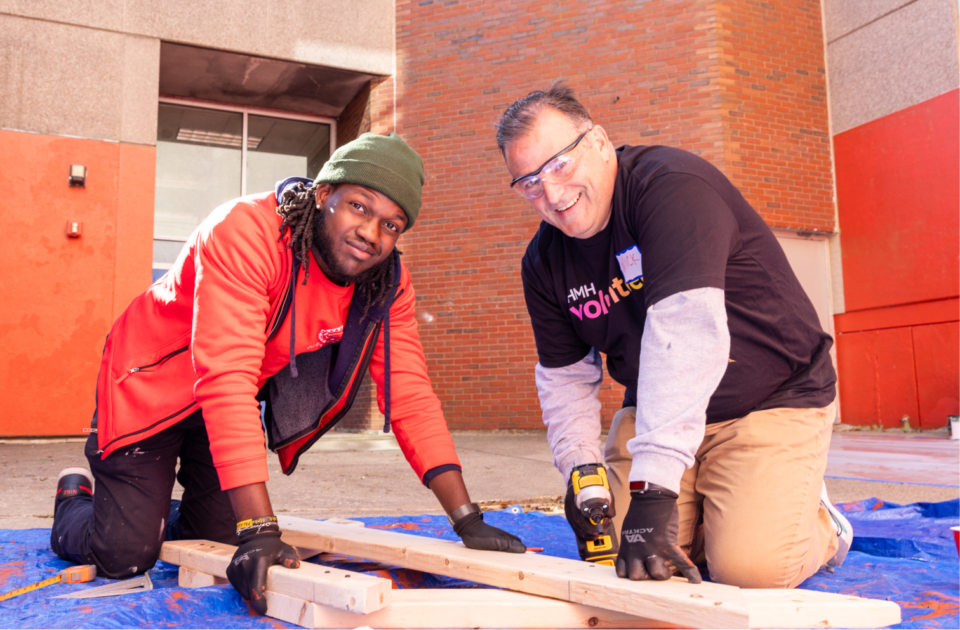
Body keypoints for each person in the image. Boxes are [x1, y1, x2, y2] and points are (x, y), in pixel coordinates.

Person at [51, 132, 525, 613]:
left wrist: (466, 519)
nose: (372, 234)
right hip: (149, 384)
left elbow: (410, 395)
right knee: (126, 557)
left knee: (217, 537)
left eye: (392, 224)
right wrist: (260, 529)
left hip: (222, 403)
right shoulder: (246, 231)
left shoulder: (386, 283)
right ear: (324, 195)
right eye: (359, 207)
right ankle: (76, 498)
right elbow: (227, 377)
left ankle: (146, 513)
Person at [496, 83, 851, 588]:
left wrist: (655, 492)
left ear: (597, 142)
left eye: (559, 165)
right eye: (528, 182)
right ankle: (723, 509)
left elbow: (684, 337)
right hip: (657, 408)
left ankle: (818, 523)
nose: (551, 194)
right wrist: (582, 469)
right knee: (618, 554)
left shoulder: (671, 188)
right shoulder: (544, 261)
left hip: (770, 399)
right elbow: (566, 376)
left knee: (751, 569)